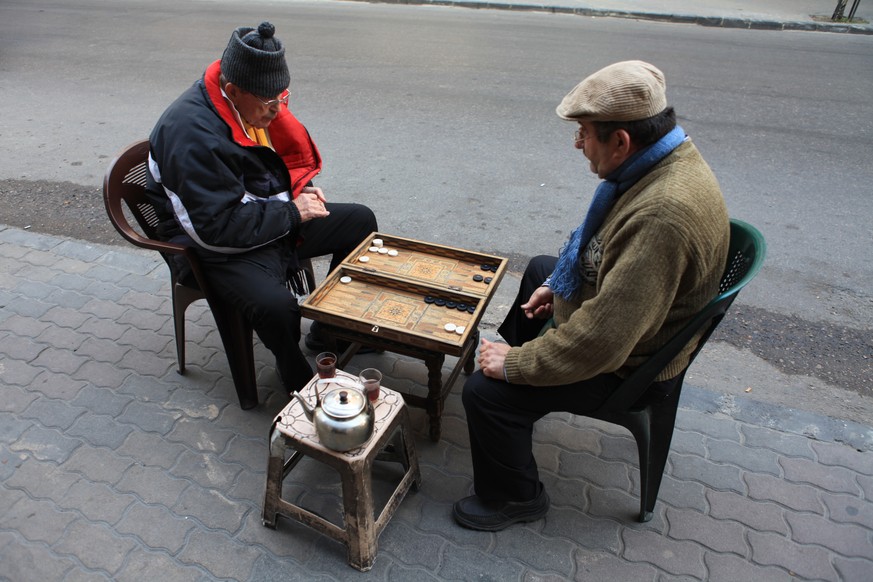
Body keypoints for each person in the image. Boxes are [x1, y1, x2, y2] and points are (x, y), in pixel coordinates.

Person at [452, 61, 730, 531]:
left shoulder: (663, 214)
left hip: (632, 366)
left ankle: (515, 496)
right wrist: (557, 287)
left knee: (484, 393)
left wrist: (517, 366)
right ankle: (506, 388)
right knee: (543, 270)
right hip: (637, 322)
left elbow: (602, 343)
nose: (577, 143)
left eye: (584, 132)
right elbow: (600, 255)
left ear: (621, 141)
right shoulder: (666, 156)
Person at [145, 22, 377, 394]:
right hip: (210, 244)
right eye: (269, 104)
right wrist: (292, 213)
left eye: (282, 99)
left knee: (360, 221)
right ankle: (294, 376)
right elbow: (215, 229)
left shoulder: (246, 97)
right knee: (277, 306)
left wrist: (300, 194)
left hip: (257, 215)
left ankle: (329, 331)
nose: (276, 111)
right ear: (233, 90)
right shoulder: (191, 135)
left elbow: (269, 165)